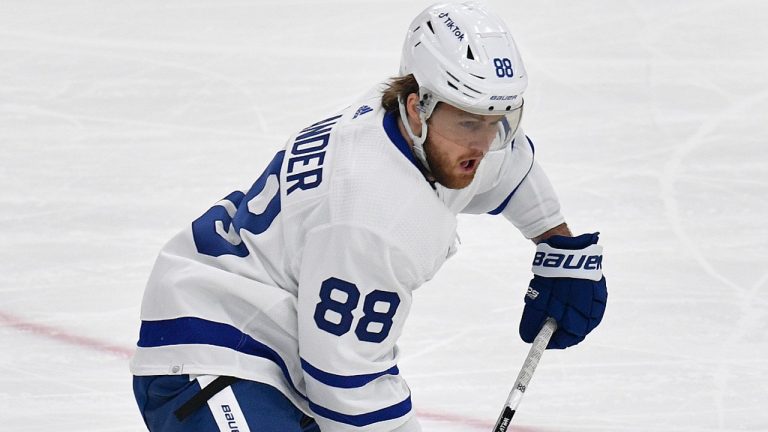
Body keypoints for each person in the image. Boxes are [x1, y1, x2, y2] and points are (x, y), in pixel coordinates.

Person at [129, 1, 608, 431]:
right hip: (212, 353)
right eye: (468, 122)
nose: (483, 144)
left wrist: (557, 244)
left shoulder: (415, 120)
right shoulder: (377, 217)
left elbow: (510, 165)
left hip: (279, 342)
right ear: (419, 109)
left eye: (498, 120)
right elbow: (348, 386)